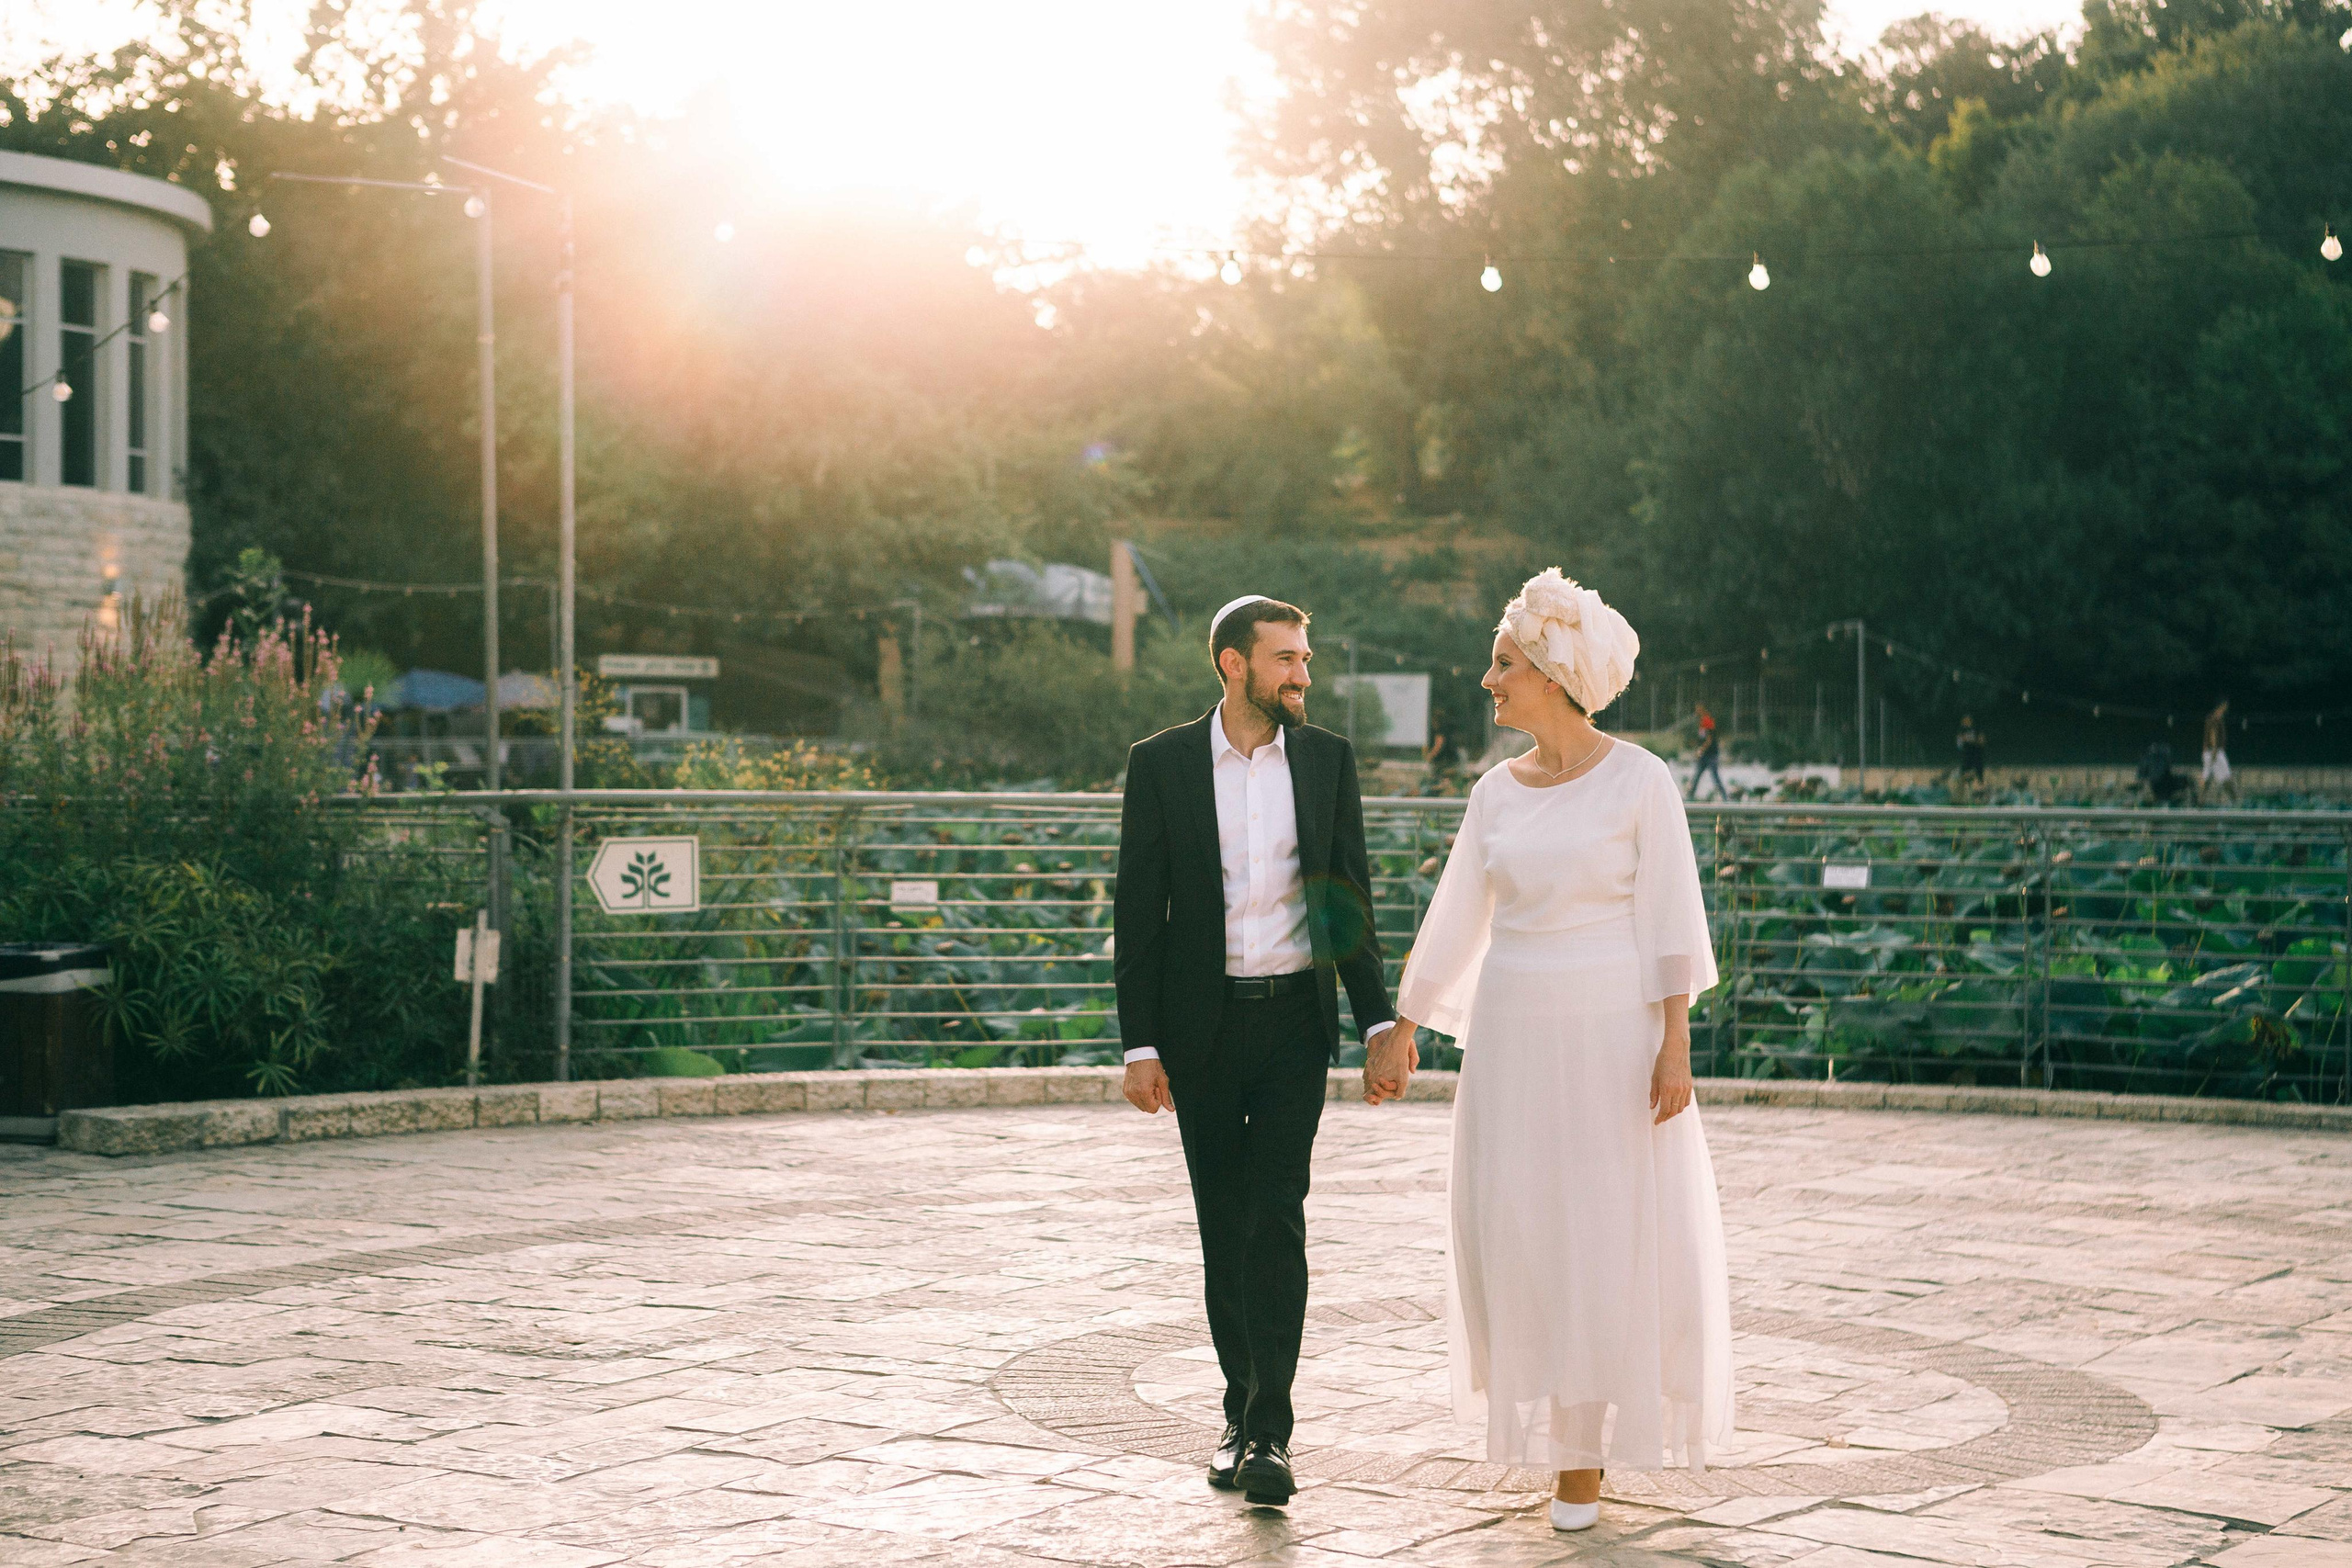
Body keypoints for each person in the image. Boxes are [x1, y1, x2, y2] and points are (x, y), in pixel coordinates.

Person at [1363, 568, 1733, 1534]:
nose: (1487, 681)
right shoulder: (1494, 793)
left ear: (1555, 672)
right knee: (1519, 1226)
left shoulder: (1643, 780)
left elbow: (1669, 921)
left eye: (1504, 664)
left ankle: (1581, 1451)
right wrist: (1405, 1025)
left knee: (1600, 1230)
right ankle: (1544, 1415)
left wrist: (1674, 1047)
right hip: (1513, 1033)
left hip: (1612, 1032)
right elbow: (1458, 917)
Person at [1114, 595, 1397, 1508]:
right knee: (1222, 1223)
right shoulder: (1159, 765)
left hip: (1291, 1031)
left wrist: (1378, 1020)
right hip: (1201, 1033)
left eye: (1304, 659)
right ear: (1233, 665)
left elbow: (1343, 897)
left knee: (1276, 1214)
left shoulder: (1324, 761)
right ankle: (1236, 1411)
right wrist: (1140, 1042)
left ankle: (1269, 1433)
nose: (1302, 675)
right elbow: (1138, 911)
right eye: (1285, 660)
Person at [1688, 705, 1725, 801]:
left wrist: (1701, 750)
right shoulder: (1701, 722)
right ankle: (1690, 796)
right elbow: (1702, 738)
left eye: (1698, 709)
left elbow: (1709, 739)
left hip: (1711, 754)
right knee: (1697, 775)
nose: (1696, 711)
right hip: (1705, 755)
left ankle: (1725, 797)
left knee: (1715, 776)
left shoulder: (1707, 721)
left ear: (1703, 709)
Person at [2202, 700, 2234, 801]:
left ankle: (2201, 800)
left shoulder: (2211, 718)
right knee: (2226, 777)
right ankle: (2234, 800)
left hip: (2209, 752)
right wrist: (2215, 752)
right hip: (2215, 752)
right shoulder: (2216, 719)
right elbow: (2213, 735)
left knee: (2207, 777)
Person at [1955, 716, 1987, 791]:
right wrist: (1965, 740)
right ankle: (1962, 789)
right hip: (1966, 754)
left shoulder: (1977, 729)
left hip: (1976, 753)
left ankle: (1981, 787)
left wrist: (1972, 740)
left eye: (1967, 721)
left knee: (1979, 771)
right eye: (1964, 721)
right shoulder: (1961, 731)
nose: (1965, 723)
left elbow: (1982, 741)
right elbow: (1960, 743)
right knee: (1964, 771)